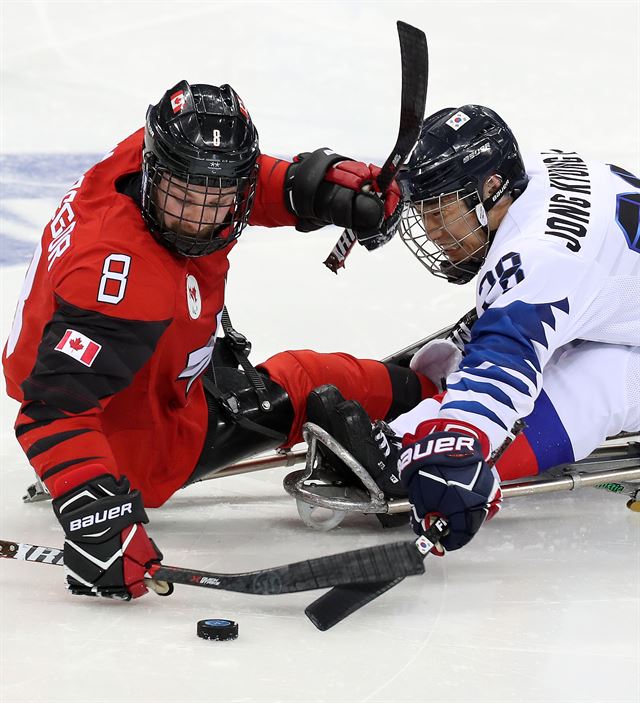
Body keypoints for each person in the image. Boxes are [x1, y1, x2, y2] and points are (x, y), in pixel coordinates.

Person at [2, 79, 430, 601]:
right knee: (308, 380)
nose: (202, 221)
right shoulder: (119, 283)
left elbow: (242, 179)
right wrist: (97, 514)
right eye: (184, 198)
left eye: (220, 197)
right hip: (136, 435)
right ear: (160, 175)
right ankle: (433, 398)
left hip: (140, 366)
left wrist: (318, 190)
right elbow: (53, 410)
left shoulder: (151, 157)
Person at [303, 103, 640, 554]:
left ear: (492, 188)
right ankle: (406, 441)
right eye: (423, 210)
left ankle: (406, 459)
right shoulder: (527, 184)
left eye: (440, 210)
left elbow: (504, 368)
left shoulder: (543, 256)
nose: (431, 228)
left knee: (595, 383)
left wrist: (459, 444)